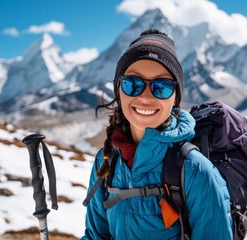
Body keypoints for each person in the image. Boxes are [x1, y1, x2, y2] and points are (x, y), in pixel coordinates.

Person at [82, 29, 233, 240]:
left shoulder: (194, 170)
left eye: (161, 87)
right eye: (132, 84)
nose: (145, 97)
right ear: (119, 90)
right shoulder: (106, 161)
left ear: (175, 98)